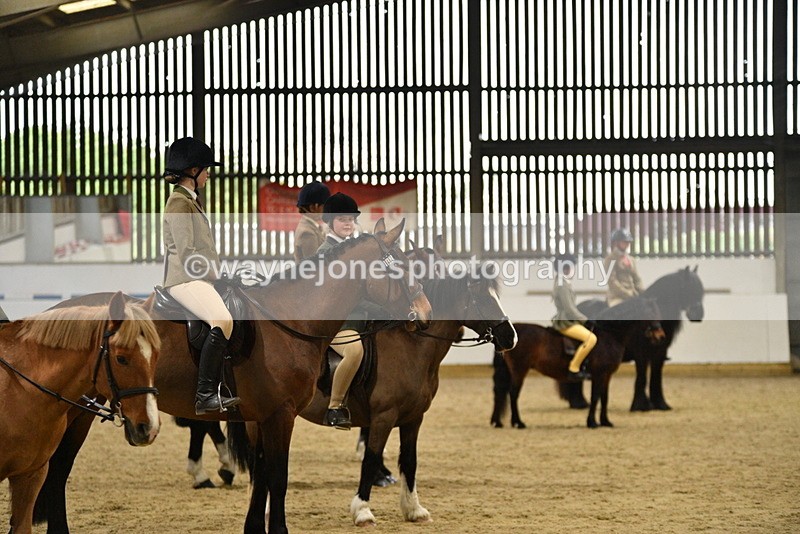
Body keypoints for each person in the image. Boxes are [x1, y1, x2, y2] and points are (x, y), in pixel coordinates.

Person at [161, 137, 240, 415]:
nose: (208, 174)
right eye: (206, 169)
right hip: (184, 279)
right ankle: (204, 394)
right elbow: (187, 252)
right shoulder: (179, 203)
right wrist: (215, 273)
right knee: (223, 320)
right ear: (193, 171)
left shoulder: (190, 201)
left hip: (198, 277)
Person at [316, 192, 384, 430]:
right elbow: (347, 297)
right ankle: (335, 407)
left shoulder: (355, 250)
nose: (348, 223)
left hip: (360, 319)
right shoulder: (326, 253)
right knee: (354, 351)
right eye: (342, 219)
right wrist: (377, 308)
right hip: (338, 322)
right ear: (330, 222)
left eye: (351, 219)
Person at [552, 254, 596, 381]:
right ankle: (574, 368)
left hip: (569, 319)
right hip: (565, 321)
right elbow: (570, 309)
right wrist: (585, 320)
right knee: (591, 339)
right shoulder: (562, 285)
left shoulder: (564, 282)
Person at [603, 228, 644, 307]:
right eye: (624, 242)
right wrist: (627, 293)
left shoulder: (631, 259)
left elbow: (637, 278)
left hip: (633, 294)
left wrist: (642, 291)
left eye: (628, 242)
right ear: (616, 243)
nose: (627, 244)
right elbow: (612, 281)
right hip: (617, 297)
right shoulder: (610, 259)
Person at [293, 181, 330, 262]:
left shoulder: (314, 226)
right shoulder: (307, 233)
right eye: (324, 206)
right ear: (313, 207)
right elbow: (315, 265)